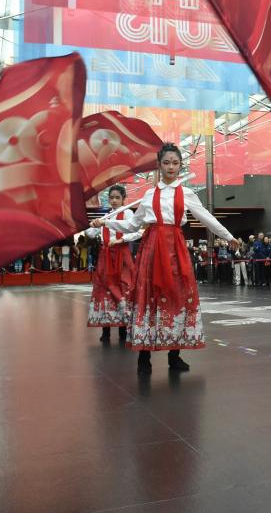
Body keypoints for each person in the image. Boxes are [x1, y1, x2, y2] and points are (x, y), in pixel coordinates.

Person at [93, 144, 236, 375]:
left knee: (178, 296)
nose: (171, 167)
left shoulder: (186, 193)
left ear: (180, 166)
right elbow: (133, 225)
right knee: (148, 296)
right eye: (167, 162)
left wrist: (228, 236)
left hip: (176, 249)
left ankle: (174, 355)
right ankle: (144, 357)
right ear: (159, 165)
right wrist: (105, 222)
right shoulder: (149, 195)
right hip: (151, 249)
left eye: (175, 163)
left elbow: (206, 217)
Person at [86, 185, 141, 342]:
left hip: (122, 256)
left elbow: (137, 232)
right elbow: (90, 233)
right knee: (105, 290)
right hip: (105, 257)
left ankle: (124, 329)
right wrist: (92, 225)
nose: (114, 200)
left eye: (117, 197)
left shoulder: (128, 213)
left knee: (124, 289)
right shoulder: (107, 215)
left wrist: (121, 239)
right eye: (111, 198)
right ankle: (106, 331)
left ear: (124, 199)